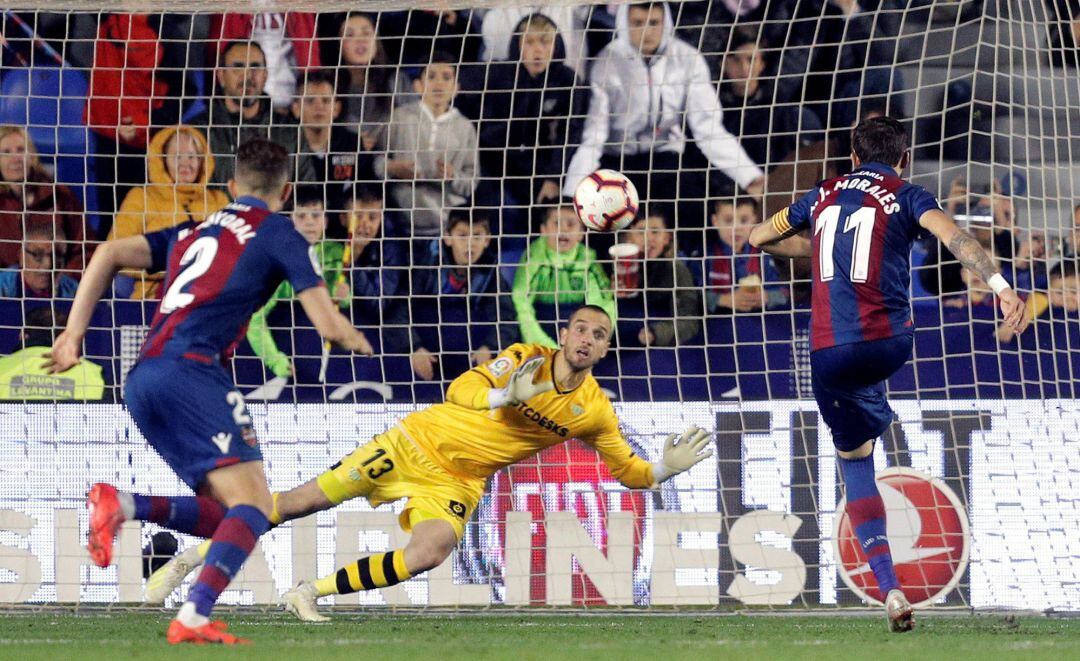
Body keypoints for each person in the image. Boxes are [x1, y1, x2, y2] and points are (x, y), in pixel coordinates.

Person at [142, 305, 714, 622]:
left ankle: (308, 591)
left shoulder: (595, 410)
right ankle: (186, 563)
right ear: (563, 335)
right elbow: (463, 391)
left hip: (461, 479)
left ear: (606, 350)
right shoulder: (524, 360)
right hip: (416, 442)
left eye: (600, 335)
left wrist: (664, 468)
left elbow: (630, 474)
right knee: (297, 503)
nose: (587, 339)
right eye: (581, 329)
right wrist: (505, 396)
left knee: (430, 552)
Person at [44, 139, 373, 645]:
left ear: (230, 187)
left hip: (143, 379)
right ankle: (194, 614)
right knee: (257, 507)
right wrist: (354, 338)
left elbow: (109, 251)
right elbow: (327, 324)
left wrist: (72, 335)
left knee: (231, 514)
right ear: (284, 192)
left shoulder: (194, 229)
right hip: (193, 372)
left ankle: (126, 506)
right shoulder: (278, 230)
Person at [748, 116, 1031, 632]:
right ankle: (893, 588)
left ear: (853, 157)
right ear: (903, 158)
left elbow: (759, 235)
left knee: (853, 459)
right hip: (890, 344)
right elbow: (955, 237)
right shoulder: (907, 192)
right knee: (866, 421)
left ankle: (888, 587)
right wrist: (1000, 285)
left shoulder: (823, 193)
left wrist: (815, 249)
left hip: (830, 351)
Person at [561, 2, 765, 206]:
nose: (646, 31)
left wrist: (749, 176)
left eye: (654, 22)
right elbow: (593, 136)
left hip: (666, 158)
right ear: (624, 23)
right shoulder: (606, 63)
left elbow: (709, 130)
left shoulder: (687, 59)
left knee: (691, 205)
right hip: (617, 161)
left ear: (665, 22)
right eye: (638, 23)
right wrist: (573, 191)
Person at [467, 13, 585, 238]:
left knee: (546, 210)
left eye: (545, 41)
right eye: (529, 42)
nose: (537, 50)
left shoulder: (567, 81)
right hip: (494, 161)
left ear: (556, 45)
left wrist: (553, 178)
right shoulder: (497, 75)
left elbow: (569, 135)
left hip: (539, 166)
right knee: (483, 200)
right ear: (517, 45)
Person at [387, 209, 518, 381]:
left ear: (487, 240)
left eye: (477, 236)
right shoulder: (426, 264)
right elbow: (397, 310)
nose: (470, 244)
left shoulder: (490, 273)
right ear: (447, 237)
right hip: (424, 350)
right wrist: (413, 348)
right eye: (462, 236)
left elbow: (507, 318)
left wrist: (490, 347)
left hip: (466, 358)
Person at [109, 125, 230, 299]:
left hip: (208, 298)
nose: (186, 164)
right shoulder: (142, 197)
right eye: (177, 156)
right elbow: (116, 255)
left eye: (192, 156)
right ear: (162, 159)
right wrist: (170, 270)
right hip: (151, 299)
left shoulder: (218, 200)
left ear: (203, 160)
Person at [247, 186, 347, 379]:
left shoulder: (336, 253)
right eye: (301, 216)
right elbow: (255, 318)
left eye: (316, 216)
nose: (309, 222)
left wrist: (345, 297)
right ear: (289, 221)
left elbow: (342, 297)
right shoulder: (275, 259)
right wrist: (275, 360)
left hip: (330, 355)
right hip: (287, 347)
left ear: (325, 222)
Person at [375, 52, 479, 238]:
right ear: (418, 86)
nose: (438, 84)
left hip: (445, 226)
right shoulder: (399, 117)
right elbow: (374, 162)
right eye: (431, 77)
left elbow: (472, 181)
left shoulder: (465, 128)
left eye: (446, 78)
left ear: (456, 88)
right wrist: (392, 168)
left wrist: (452, 175)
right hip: (400, 221)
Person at [512, 202, 616, 348]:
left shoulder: (589, 260)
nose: (563, 230)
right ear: (543, 230)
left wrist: (593, 341)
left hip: (578, 329)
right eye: (557, 224)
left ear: (581, 234)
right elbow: (521, 305)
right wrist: (546, 348)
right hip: (541, 326)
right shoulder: (533, 258)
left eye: (571, 224)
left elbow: (603, 304)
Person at [0, 125, 87, 276]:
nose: (15, 158)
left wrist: (65, 280)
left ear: (32, 156)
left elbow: (84, 248)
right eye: (6, 152)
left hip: (57, 286)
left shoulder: (59, 195)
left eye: (20, 150)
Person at [190, 41, 278, 188]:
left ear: (265, 76)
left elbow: (305, 195)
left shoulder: (291, 131)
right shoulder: (196, 133)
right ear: (221, 76)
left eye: (255, 67)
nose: (248, 76)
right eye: (238, 67)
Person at [616, 210, 702, 346]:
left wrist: (655, 334)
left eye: (655, 231)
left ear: (667, 238)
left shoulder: (677, 271)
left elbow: (689, 322)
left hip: (658, 347)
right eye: (640, 231)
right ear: (628, 237)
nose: (648, 238)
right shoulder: (614, 265)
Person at [335, 12, 413, 151]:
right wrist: (352, 142)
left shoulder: (396, 80)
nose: (360, 40)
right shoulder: (330, 84)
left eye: (366, 33)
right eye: (350, 35)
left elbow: (414, 126)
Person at [707, 197, 787, 312]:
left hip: (757, 323)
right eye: (728, 220)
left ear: (754, 220)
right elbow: (691, 296)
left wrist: (766, 297)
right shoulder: (704, 256)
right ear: (715, 221)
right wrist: (723, 299)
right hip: (718, 324)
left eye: (744, 220)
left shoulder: (763, 255)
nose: (736, 228)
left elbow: (783, 293)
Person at [0, 222, 79, 300]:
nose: (48, 265)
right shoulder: (3, 286)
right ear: (21, 256)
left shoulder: (76, 291)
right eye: (38, 255)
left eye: (57, 256)